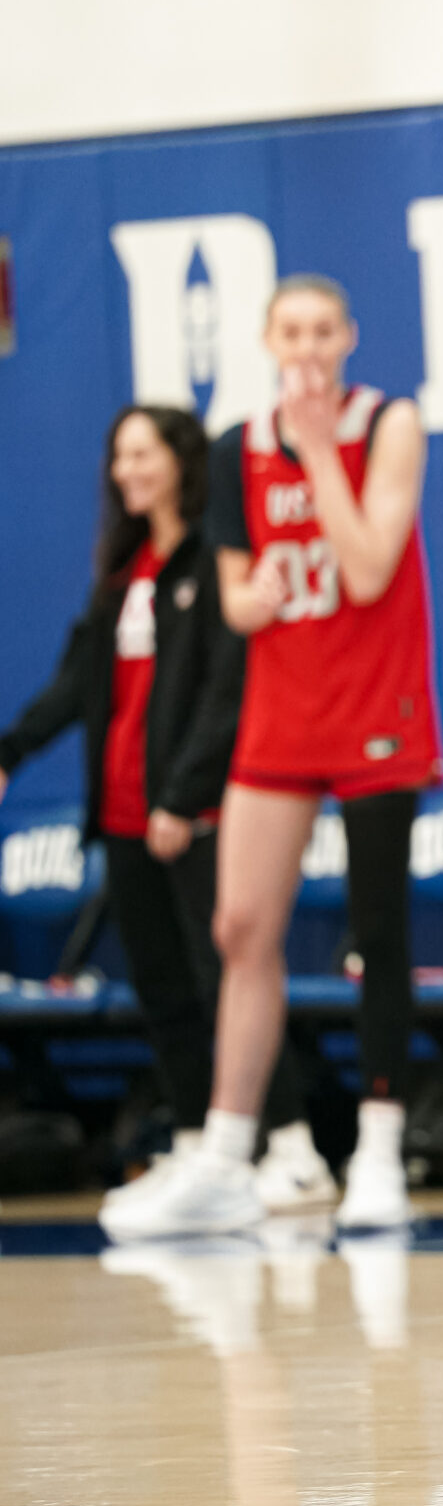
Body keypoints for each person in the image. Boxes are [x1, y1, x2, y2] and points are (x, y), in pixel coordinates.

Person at [105, 274, 443, 1240]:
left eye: (322, 330)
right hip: (284, 708)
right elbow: (235, 597)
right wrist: (250, 589)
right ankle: (226, 1150)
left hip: (378, 698)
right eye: (289, 330)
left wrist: (314, 456)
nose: (305, 346)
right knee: (239, 926)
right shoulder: (229, 451)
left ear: (347, 339)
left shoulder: (389, 425)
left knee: (377, 931)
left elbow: (371, 563)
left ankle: (377, 1148)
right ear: (265, 338)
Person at [0, 406, 311, 1222]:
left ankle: (289, 1142)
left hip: (195, 812)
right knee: (162, 989)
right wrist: (9, 753)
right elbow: (77, 685)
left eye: (142, 452)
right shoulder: (123, 571)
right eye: (118, 456)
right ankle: (196, 1145)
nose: (127, 469)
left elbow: (225, 691)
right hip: (125, 816)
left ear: (179, 459)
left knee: (228, 969)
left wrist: (185, 794)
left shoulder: (212, 561)